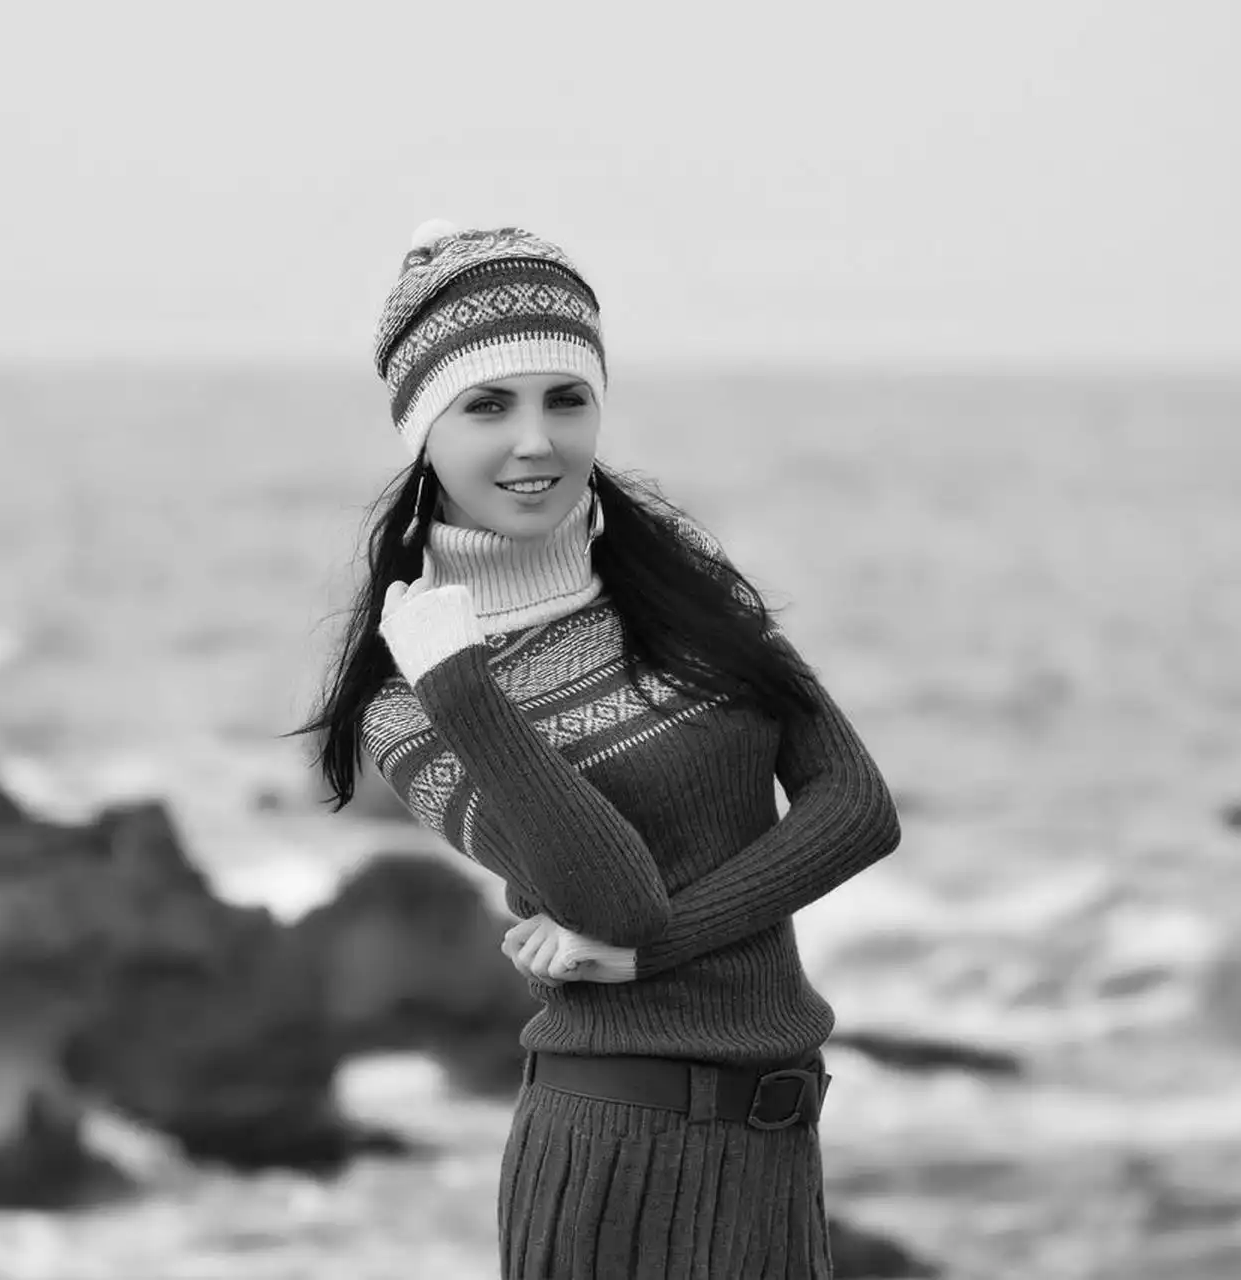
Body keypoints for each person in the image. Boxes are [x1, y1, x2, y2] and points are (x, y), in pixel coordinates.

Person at [297, 219, 903, 1279]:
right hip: (612, 1161)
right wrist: (461, 680)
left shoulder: (683, 594)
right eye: (488, 404)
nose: (536, 440)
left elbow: (854, 805)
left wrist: (650, 953)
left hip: (775, 1149)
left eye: (565, 399)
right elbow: (610, 892)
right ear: (423, 432)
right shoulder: (408, 707)